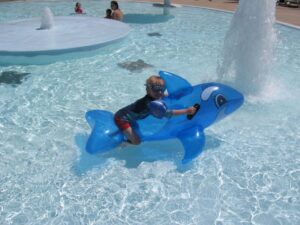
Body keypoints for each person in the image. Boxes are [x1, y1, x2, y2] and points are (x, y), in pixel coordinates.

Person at [114, 75, 198, 145]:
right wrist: (186, 111)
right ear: (147, 90)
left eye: (162, 89)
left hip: (131, 117)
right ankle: (122, 144)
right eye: (156, 90)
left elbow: (167, 95)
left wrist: (180, 93)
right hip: (122, 119)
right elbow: (168, 114)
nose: (160, 93)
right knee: (137, 142)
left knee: (139, 134)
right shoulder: (152, 104)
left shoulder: (156, 95)